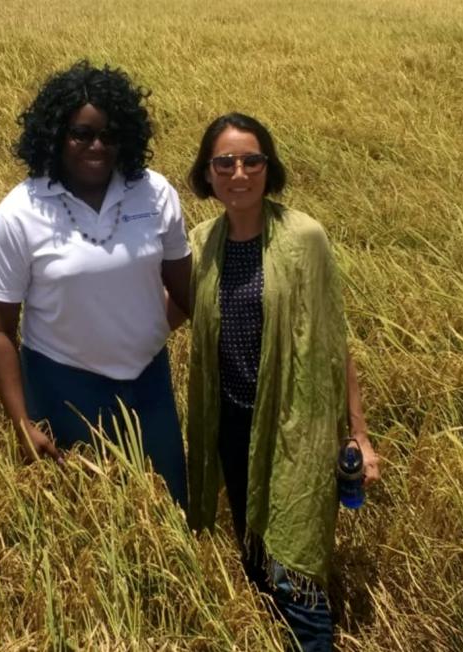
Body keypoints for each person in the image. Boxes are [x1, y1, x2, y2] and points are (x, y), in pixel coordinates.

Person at [185, 113, 381, 651]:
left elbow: (332, 342)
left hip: (297, 423)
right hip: (233, 422)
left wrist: (358, 435)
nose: (239, 172)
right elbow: (170, 316)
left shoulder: (304, 237)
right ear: (209, 173)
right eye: (224, 162)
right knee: (252, 553)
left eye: (252, 160)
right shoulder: (201, 242)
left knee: (295, 565)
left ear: (269, 168)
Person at [0, 61, 191, 506]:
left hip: (148, 381)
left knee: (169, 510)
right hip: (63, 387)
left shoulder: (154, 193)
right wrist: (21, 423)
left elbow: (187, 291)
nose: (97, 146)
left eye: (110, 135)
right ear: (55, 135)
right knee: (81, 518)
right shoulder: (20, 212)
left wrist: (146, 330)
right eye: (81, 134)